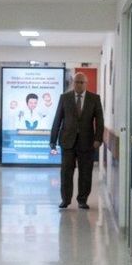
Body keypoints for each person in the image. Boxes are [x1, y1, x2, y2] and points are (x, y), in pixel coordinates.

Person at [49, 72, 104, 209]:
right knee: (66, 172)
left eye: (81, 82)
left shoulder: (94, 98)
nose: (79, 85)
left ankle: (82, 200)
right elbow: (57, 119)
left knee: (85, 172)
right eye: (76, 82)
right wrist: (52, 140)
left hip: (87, 142)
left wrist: (98, 138)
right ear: (73, 83)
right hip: (67, 141)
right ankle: (66, 200)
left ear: (86, 84)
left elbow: (100, 120)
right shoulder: (65, 97)